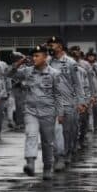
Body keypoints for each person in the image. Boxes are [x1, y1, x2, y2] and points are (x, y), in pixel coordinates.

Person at [8, 46, 60, 180]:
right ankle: (30, 163)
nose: (34, 58)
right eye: (33, 56)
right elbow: (8, 73)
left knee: (47, 142)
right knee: (31, 134)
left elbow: (59, 95)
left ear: (45, 57)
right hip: (31, 111)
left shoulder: (54, 73)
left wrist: (61, 113)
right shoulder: (27, 71)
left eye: (38, 56)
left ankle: (47, 167)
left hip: (48, 112)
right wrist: (20, 62)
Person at [46, 37, 86, 172]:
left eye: (53, 45)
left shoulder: (70, 63)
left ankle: (68, 152)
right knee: (55, 133)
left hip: (68, 103)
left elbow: (78, 84)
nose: (50, 47)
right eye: (49, 45)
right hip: (52, 103)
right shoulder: (47, 62)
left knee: (68, 131)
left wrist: (81, 102)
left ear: (60, 46)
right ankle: (59, 157)